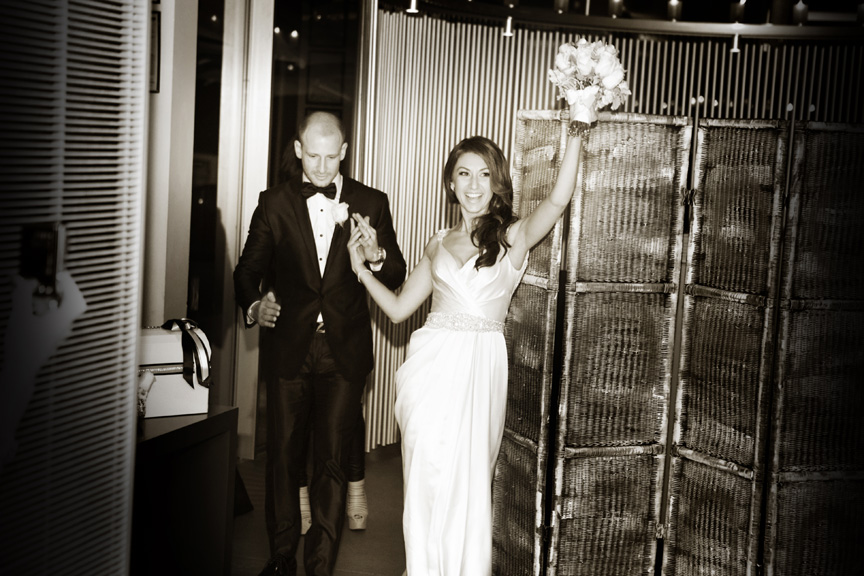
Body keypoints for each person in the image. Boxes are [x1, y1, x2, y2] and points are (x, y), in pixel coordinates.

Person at [346, 103, 584, 575]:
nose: (474, 185)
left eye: (484, 175)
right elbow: (399, 308)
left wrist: (578, 124)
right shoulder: (437, 242)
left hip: (479, 370)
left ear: (497, 183)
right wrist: (362, 270)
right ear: (450, 184)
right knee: (424, 480)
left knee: (470, 481)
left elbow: (558, 200)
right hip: (429, 371)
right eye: (463, 174)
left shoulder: (514, 237)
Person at [234, 111, 406, 576]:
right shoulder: (273, 203)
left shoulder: (371, 201)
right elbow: (246, 272)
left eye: (332, 157)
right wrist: (255, 305)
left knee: (331, 459)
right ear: (298, 150)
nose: (323, 167)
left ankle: (320, 565)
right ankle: (280, 557)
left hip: (343, 350)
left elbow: (397, 275)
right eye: (313, 156)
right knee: (283, 456)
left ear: (344, 152)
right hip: (289, 346)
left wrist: (376, 254)